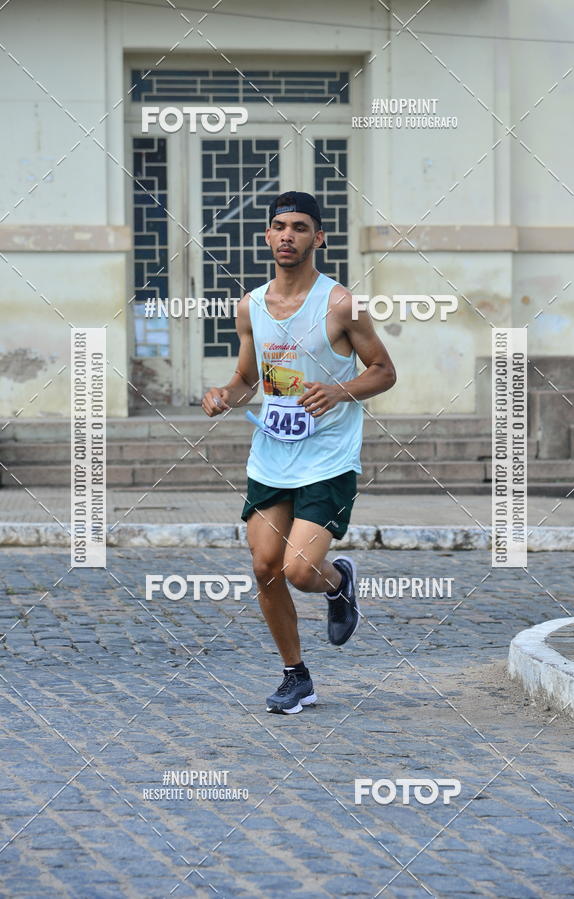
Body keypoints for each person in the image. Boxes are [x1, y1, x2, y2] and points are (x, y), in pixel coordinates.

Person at [201, 191, 396, 714]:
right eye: (279, 226)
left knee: (300, 570)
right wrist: (224, 394)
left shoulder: (340, 304)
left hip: (328, 458)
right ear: (267, 236)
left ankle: (338, 582)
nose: (288, 235)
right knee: (265, 565)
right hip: (272, 455)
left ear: (319, 238)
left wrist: (338, 390)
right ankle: (296, 677)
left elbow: (383, 371)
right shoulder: (251, 305)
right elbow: (248, 379)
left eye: (301, 227)